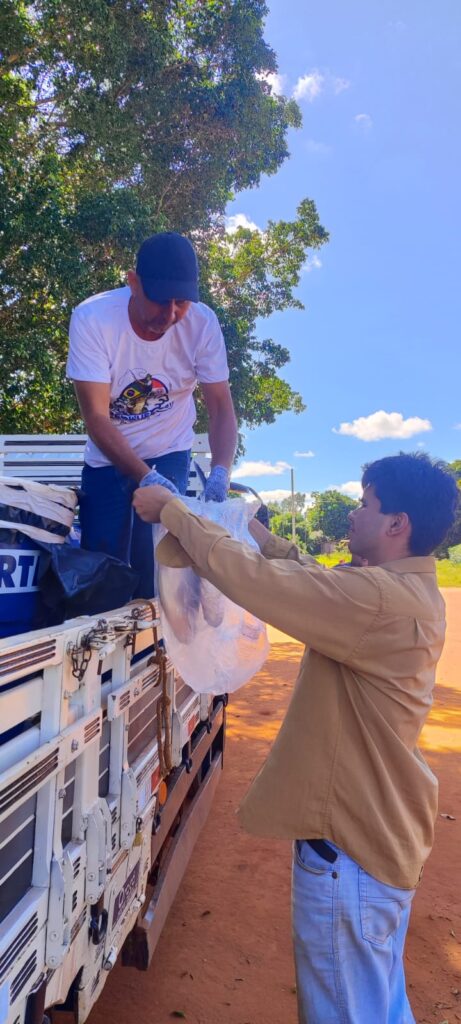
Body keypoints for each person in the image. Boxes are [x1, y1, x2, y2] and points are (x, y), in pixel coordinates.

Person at [132, 452, 458, 1024]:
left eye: (365, 504)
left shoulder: (378, 602)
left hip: (348, 857)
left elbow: (266, 585)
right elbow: (306, 573)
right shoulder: (398, 593)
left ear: (396, 525)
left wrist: (177, 513)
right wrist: (247, 526)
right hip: (375, 845)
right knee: (379, 1004)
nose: (353, 516)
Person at [66, 231, 237, 596]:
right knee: (101, 567)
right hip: (107, 457)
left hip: (169, 450)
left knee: (158, 566)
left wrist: (221, 469)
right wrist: (144, 477)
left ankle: (156, 650)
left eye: (182, 303)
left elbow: (221, 406)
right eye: (161, 301)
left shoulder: (203, 325)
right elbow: (96, 417)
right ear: (133, 282)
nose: (171, 315)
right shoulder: (94, 319)